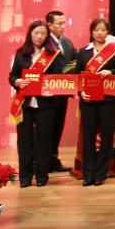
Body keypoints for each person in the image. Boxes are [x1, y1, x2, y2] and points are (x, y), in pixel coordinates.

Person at [9, 20, 68, 187]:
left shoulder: (54, 54)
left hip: (46, 104)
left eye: (43, 33)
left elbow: (60, 78)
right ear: (30, 34)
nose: (39, 36)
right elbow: (12, 75)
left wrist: (52, 89)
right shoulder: (21, 53)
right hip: (25, 104)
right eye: (36, 33)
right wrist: (17, 81)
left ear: (47, 35)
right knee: (25, 141)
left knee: (44, 141)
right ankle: (25, 177)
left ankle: (42, 176)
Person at [74, 17, 115, 186]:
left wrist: (111, 72)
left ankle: (101, 173)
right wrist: (81, 93)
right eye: (97, 30)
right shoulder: (83, 52)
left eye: (103, 30)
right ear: (91, 32)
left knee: (106, 137)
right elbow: (77, 77)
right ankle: (88, 174)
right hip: (88, 101)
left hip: (108, 100)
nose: (100, 33)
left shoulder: (114, 51)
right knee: (88, 137)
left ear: (108, 32)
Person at [45, 10, 76, 173]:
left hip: (63, 92)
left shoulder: (67, 42)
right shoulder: (44, 42)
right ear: (49, 25)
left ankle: (53, 159)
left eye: (64, 23)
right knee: (46, 128)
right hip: (47, 94)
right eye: (59, 23)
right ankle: (42, 161)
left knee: (58, 127)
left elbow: (77, 60)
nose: (63, 26)